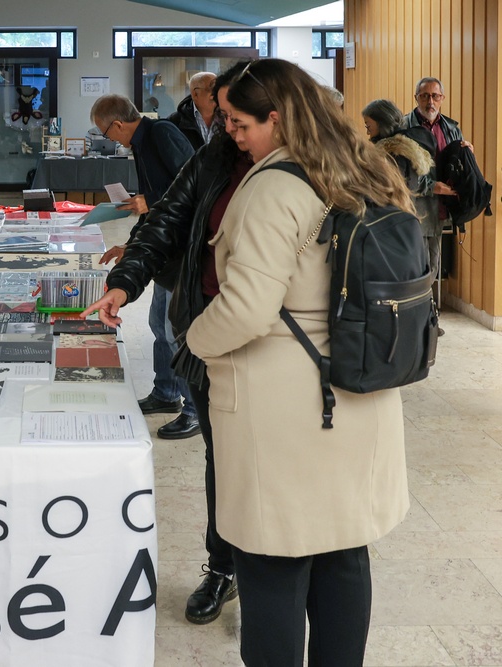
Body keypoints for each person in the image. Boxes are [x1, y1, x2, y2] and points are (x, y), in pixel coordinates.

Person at [175, 58, 408, 665]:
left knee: (273, 558)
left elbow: (248, 309)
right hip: (359, 385)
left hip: (285, 406)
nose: (229, 131)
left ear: (276, 117)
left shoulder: (275, 186)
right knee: (342, 552)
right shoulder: (366, 169)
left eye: (238, 121)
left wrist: (194, 339)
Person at [82, 60, 254, 625]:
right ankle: (223, 565)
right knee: (221, 459)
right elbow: (171, 215)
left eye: (233, 117)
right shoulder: (217, 156)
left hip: (284, 356)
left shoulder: (314, 173)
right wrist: (126, 276)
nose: (222, 126)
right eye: (221, 115)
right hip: (212, 333)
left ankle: (266, 574)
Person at [90, 94, 198, 439]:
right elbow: (155, 203)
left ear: (118, 124)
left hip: (182, 250)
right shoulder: (142, 143)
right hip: (163, 249)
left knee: (174, 329)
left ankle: (194, 409)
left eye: (107, 134)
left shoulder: (161, 133)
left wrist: (148, 201)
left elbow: (194, 183)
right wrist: (132, 244)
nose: (111, 141)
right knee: (157, 323)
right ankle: (165, 393)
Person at [401, 77, 466, 295]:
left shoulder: (452, 129)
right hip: (412, 210)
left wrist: (468, 154)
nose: (430, 101)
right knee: (412, 268)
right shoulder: (403, 127)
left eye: (435, 96)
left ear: (442, 98)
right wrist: (431, 187)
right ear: (416, 98)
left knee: (433, 266)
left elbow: (459, 166)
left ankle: (427, 318)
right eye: (425, 96)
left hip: (439, 209)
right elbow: (399, 174)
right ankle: (414, 317)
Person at [362, 99, 435, 223]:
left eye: (368, 126)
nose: (367, 132)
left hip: (389, 220)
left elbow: (385, 192)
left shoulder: (392, 154)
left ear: (381, 122)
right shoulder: (404, 149)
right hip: (402, 219)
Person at [168, 71, 218, 151]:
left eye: (218, 88)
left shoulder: (228, 119)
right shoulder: (175, 123)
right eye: (212, 88)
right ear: (195, 94)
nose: (216, 94)